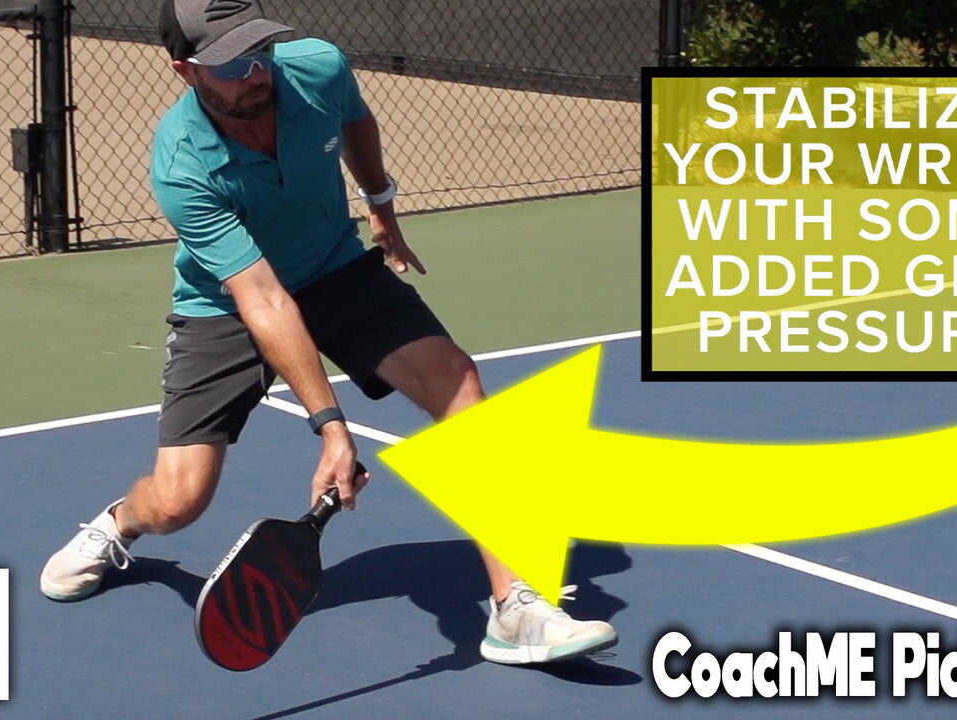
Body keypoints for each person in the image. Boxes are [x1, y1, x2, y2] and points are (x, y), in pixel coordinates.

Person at [39, 0, 616, 665]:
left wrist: (380, 203)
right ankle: (119, 524)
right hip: (224, 304)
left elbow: (356, 122)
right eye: (232, 63)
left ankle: (516, 607)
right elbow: (262, 299)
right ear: (186, 71)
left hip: (333, 266)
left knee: (458, 383)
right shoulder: (182, 163)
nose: (256, 73)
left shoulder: (315, 67)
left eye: (260, 51)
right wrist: (331, 427)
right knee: (177, 502)